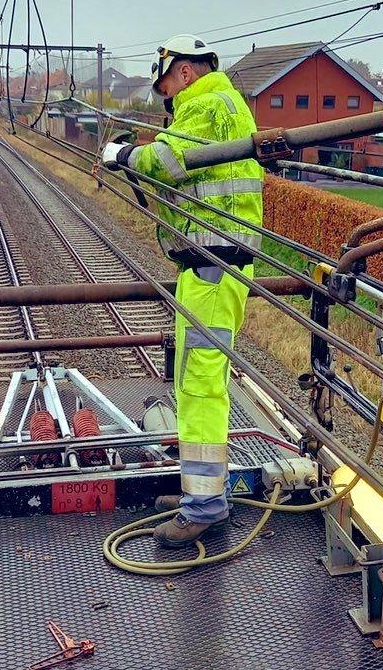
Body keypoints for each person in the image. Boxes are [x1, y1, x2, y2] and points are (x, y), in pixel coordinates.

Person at [100, 34, 263, 548]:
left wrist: (122, 153)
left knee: (200, 387)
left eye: (165, 84)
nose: (165, 97)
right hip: (209, 269)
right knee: (192, 381)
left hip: (214, 269)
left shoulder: (207, 103)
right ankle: (200, 491)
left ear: (185, 72)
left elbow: (164, 162)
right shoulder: (220, 104)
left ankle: (205, 505)